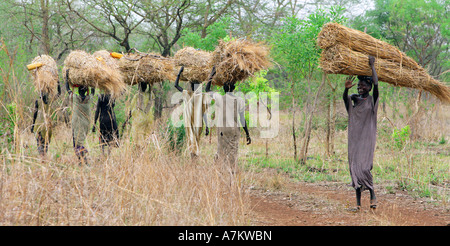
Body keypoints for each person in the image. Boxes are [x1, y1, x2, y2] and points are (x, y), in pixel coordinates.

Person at [343, 55, 379, 211]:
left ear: (369, 88)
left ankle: (372, 194)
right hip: (354, 141)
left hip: (367, 139)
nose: (360, 87)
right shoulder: (353, 103)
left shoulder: (372, 101)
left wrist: (372, 66)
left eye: (363, 85)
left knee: (364, 168)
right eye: (358, 85)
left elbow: (377, 86)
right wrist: (346, 89)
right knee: (354, 169)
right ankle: (358, 204)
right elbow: (344, 98)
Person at [205, 66, 251, 183]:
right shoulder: (239, 100)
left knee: (221, 151)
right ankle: (231, 177)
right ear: (233, 88)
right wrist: (247, 133)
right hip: (234, 130)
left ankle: (220, 176)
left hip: (222, 130)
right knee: (233, 152)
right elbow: (242, 119)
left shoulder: (220, 98)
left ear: (224, 88)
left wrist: (212, 73)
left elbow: (207, 90)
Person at [174, 66, 209, 159]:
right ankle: (193, 159)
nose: (194, 85)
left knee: (194, 140)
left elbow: (204, 112)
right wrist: (179, 73)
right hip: (192, 123)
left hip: (197, 123)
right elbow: (176, 85)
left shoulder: (198, 96)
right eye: (194, 84)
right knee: (193, 140)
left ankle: (194, 159)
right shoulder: (188, 94)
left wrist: (207, 125)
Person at [66, 69, 95, 165]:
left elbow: (68, 89)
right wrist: (92, 79)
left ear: (78, 91)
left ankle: (83, 160)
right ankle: (82, 160)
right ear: (86, 91)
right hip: (86, 124)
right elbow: (93, 90)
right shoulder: (89, 99)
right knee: (80, 142)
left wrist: (67, 78)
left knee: (76, 144)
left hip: (77, 124)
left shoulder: (75, 98)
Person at [31, 83, 61, 157]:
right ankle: (44, 156)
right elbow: (59, 93)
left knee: (39, 143)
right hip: (48, 126)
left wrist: (32, 125)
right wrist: (58, 82)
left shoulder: (38, 101)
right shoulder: (50, 101)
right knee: (46, 143)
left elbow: (35, 114)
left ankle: (42, 157)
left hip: (39, 126)